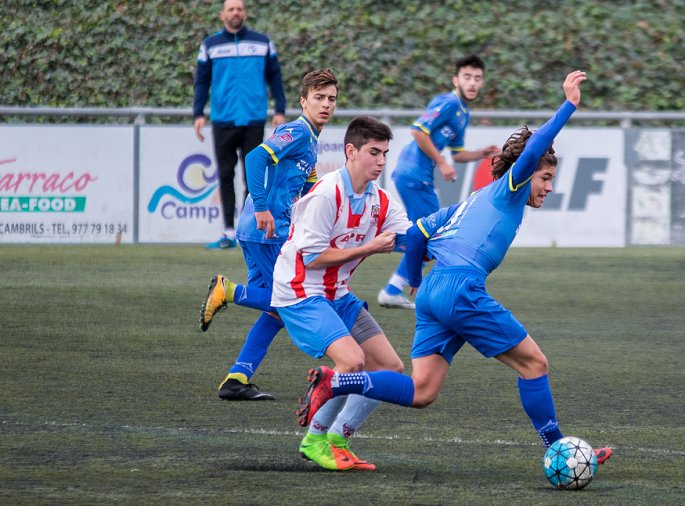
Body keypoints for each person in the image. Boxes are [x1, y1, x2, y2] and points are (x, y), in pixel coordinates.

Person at [295, 70, 613, 467]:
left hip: (432, 293)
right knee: (535, 364)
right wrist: (568, 106)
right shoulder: (510, 187)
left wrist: (412, 278)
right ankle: (559, 450)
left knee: (422, 391)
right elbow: (536, 149)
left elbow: (417, 233)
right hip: (461, 289)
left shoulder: (473, 200)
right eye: (545, 178)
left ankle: (337, 381)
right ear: (527, 172)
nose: (548, 187)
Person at [205, 117, 412, 471]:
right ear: (350, 151)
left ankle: (337, 438)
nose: (380, 161)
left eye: (385, 153)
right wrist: (370, 248)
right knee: (351, 363)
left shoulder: (380, 199)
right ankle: (315, 439)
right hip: (300, 291)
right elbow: (313, 259)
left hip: (339, 294)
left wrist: (450, 235)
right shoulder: (327, 193)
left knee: (391, 369)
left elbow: (409, 238)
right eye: (373, 152)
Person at [199, 68, 338, 401]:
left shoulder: (310, 140)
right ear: (303, 101)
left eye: (331, 99)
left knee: (274, 311)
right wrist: (262, 206)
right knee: (290, 298)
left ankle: (236, 378)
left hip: (261, 230)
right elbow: (255, 156)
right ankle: (228, 290)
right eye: (318, 98)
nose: (326, 104)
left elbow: (308, 189)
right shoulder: (298, 132)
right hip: (268, 229)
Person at [377, 54, 501, 309]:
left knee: (429, 236)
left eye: (477, 78)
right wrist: (441, 162)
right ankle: (375, 246)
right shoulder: (448, 101)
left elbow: (457, 154)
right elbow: (418, 131)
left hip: (417, 175)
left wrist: (482, 154)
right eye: (467, 77)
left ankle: (392, 288)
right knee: (432, 236)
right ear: (456, 80)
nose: (472, 83)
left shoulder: (463, 113)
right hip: (413, 172)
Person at [193, 0, 287, 250]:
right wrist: (198, 113)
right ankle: (228, 232)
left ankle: (248, 231)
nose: (236, 12)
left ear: (245, 13)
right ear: (222, 14)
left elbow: (275, 77)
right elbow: (201, 81)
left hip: (254, 119)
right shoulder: (210, 45)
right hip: (223, 120)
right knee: (225, 175)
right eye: (231, 9)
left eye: (239, 9)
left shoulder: (262, 42)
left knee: (252, 176)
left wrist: (279, 109)